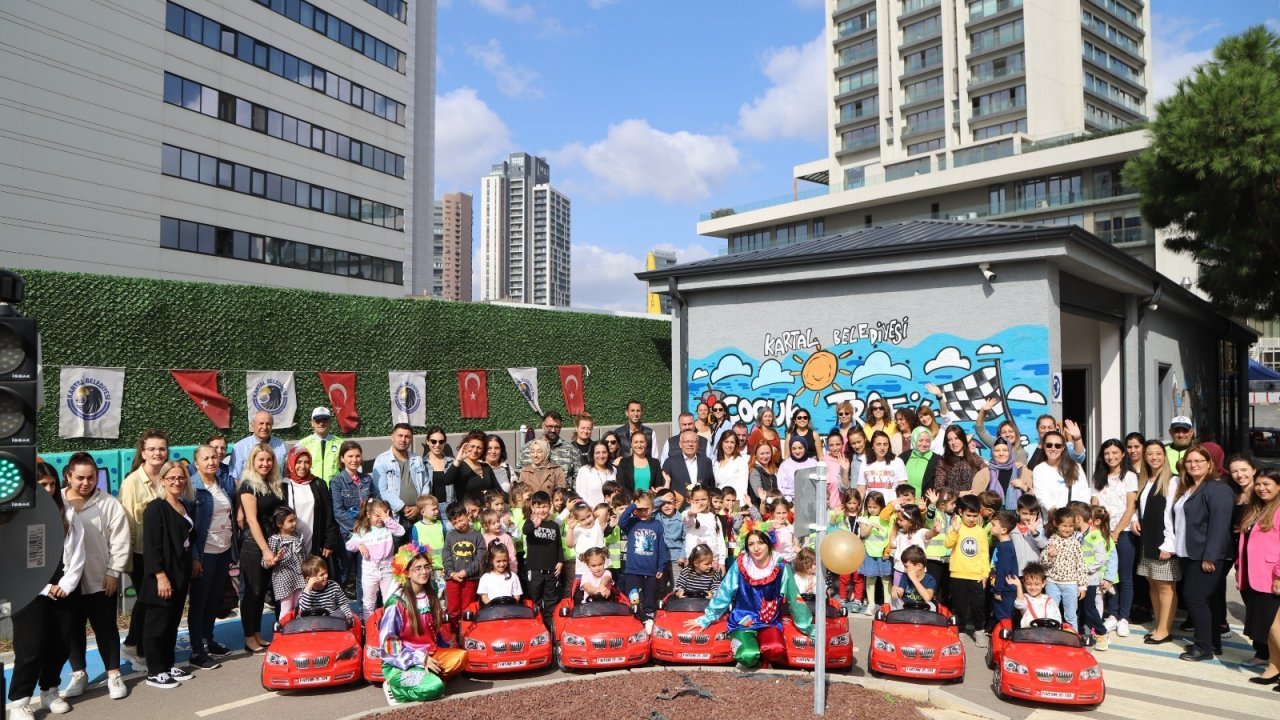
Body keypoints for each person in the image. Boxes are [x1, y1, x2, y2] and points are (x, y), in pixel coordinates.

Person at [8, 462, 85, 718]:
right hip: (30, 591)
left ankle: (50, 690)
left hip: (63, 587)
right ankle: (19, 701)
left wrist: (65, 584)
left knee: (61, 643)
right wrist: (43, 587)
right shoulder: (16, 515)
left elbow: (77, 553)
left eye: (52, 484)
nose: (50, 489)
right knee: (30, 647)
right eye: (43, 485)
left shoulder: (67, 513)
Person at [684, 528, 813, 667]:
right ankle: (752, 656)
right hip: (742, 622)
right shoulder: (741, 565)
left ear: (769, 545)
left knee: (776, 649)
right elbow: (724, 592)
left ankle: (764, 659)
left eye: (760, 543)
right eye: (751, 544)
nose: (756, 548)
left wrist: (806, 626)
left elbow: (795, 598)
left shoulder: (781, 567)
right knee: (747, 655)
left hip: (769, 623)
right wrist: (707, 618)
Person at [59, 453, 130, 701]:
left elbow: (120, 541)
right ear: (68, 476)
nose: (86, 483)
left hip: (100, 579)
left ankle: (113, 674)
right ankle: (79, 674)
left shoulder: (108, 503)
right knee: (71, 629)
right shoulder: (56, 502)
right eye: (79, 477)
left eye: (91, 478)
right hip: (66, 582)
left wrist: (113, 572)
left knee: (106, 628)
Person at [1163, 445, 1235, 662]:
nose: (1193, 465)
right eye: (1189, 461)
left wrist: (1210, 556)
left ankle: (1203, 647)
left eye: (1198, 461)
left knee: (1195, 598)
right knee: (1208, 600)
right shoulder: (1188, 488)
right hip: (1188, 553)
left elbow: (1219, 526)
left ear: (1209, 464)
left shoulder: (1217, 488)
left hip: (1207, 556)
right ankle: (1213, 643)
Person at [379, 545, 467, 704]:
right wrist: (420, 659)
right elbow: (389, 647)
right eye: (417, 568)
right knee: (435, 688)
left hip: (430, 653)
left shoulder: (430, 595)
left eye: (426, 567)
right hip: (403, 662)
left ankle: (426, 676)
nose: (424, 572)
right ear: (406, 572)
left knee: (461, 657)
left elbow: (434, 633)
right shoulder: (396, 602)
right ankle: (396, 688)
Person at [140, 461, 196, 689]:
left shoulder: (184, 505)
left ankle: (168, 664)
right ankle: (154, 671)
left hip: (180, 573)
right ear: (162, 480)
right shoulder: (155, 508)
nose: (176, 482)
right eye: (171, 478)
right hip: (162, 576)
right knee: (157, 625)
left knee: (172, 622)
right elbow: (151, 547)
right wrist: (160, 576)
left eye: (180, 477)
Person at [119, 428, 168, 664]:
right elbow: (127, 524)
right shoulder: (132, 483)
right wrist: (126, 562)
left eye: (161, 448)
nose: (157, 453)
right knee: (148, 601)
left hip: (166, 553)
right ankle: (141, 650)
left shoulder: (170, 477)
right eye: (152, 449)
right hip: (141, 555)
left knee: (149, 601)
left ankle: (133, 642)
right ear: (143, 452)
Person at [187, 444, 236, 670]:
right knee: (199, 602)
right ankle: (197, 650)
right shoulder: (192, 488)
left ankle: (208, 639)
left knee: (213, 600)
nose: (211, 462)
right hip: (203, 554)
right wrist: (194, 556)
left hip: (223, 552)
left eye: (214, 458)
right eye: (206, 459)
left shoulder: (222, 483)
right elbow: (189, 528)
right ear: (196, 464)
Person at [238, 442, 285, 653]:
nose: (265, 464)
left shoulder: (273, 483)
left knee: (262, 591)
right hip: (254, 544)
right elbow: (252, 521)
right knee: (253, 591)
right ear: (253, 461)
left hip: (271, 541)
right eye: (261, 460)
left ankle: (257, 633)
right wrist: (265, 550)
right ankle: (249, 636)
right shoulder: (248, 485)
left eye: (268, 460)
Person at [1090, 438, 1139, 637]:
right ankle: (1112, 614)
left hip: (1123, 533)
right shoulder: (1098, 478)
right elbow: (1094, 505)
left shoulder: (1129, 476)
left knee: (1125, 576)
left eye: (1115, 452)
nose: (1111, 456)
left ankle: (1124, 618)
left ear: (1122, 454)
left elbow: (1131, 507)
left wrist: (1116, 531)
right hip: (1101, 535)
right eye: (1107, 453)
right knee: (1108, 576)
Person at [1135, 438, 1181, 644]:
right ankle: (1158, 625)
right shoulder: (1144, 480)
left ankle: (1165, 630)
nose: (1154, 457)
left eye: (1158, 453)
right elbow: (1140, 506)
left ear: (1165, 456)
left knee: (1165, 586)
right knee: (1152, 583)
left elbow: (1172, 514)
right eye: (1150, 453)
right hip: (1147, 539)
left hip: (1163, 542)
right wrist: (1136, 519)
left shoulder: (1173, 480)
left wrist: (1169, 544)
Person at [1239, 470, 1280, 680]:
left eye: (1267, 484)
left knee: (1275, 627)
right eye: (1259, 484)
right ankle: (1274, 667)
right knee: (1269, 628)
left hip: (1273, 579)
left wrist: (1279, 575)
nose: (1262, 488)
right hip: (1255, 577)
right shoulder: (1258, 508)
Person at [330, 440, 379, 597]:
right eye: (350, 456)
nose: (354, 460)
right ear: (342, 458)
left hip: (367, 536)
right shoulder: (336, 482)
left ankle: (365, 615)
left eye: (357, 456)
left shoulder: (367, 480)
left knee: (363, 576)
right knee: (342, 576)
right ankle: (336, 615)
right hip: (347, 536)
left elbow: (376, 503)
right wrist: (360, 529)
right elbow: (338, 512)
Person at [347, 498, 405, 618]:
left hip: (387, 568)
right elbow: (349, 545)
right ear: (368, 515)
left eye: (383, 515)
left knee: (389, 599)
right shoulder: (363, 530)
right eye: (377, 515)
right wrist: (359, 544)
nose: (380, 519)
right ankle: (369, 627)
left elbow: (401, 532)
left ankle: (389, 625)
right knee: (368, 602)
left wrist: (387, 519)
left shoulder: (388, 527)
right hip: (370, 570)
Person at [283, 445, 341, 566]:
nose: (302, 466)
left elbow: (328, 514)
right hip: (290, 540)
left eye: (306, 462)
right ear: (291, 462)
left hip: (314, 539)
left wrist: (329, 541)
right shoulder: (283, 485)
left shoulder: (319, 484)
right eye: (298, 462)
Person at [946, 494, 991, 644]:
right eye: (968, 515)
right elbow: (947, 544)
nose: (972, 519)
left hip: (976, 575)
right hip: (958, 573)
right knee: (959, 605)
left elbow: (985, 554)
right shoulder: (955, 528)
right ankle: (962, 630)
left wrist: (985, 574)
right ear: (960, 512)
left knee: (978, 605)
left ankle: (979, 631)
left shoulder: (981, 531)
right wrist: (955, 531)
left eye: (975, 515)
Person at [618, 492, 668, 623]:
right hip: (633, 570)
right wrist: (633, 506)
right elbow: (621, 521)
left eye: (646, 509)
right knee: (633, 596)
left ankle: (649, 618)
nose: (643, 512)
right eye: (640, 510)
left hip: (650, 571)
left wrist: (661, 567)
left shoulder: (657, 525)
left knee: (649, 597)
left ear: (652, 508)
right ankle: (633, 618)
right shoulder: (632, 523)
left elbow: (661, 547)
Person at [374, 423, 431, 530]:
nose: (403, 440)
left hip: (418, 515)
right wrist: (403, 507)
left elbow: (426, 484)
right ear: (392, 437)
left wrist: (419, 506)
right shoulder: (382, 460)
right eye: (400, 435)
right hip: (395, 517)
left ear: (411, 439)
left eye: (407, 436)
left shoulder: (417, 459)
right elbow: (381, 491)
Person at [1040, 507, 1088, 632]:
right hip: (1052, 583)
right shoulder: (1051, 541)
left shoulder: (1075, 543)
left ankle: (1073, 638)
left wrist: (1082, 586)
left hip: (1070, 584)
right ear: (1056, 524)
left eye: (1071, 526)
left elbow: (1081, 565)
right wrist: (1049, 556)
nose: (1067, 529)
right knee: (1051, 613)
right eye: (1064, 526)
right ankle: (1051, 636)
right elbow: (1043, 563)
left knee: (1071, 615)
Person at [522, 491, 563, 626]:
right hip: (534, 571)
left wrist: (560, 561)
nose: (541, 510)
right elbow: (525, 530)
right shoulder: (530, 522)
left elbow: (558, 545)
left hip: (551, 571)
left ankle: (550, 628)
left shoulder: (554, 525)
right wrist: (535, 524)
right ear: (532, 508)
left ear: (550, 506)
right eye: (538, 507)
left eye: (544, 506)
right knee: (535, 600)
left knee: (551, 601)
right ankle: (536, 627)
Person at [442, 503, 485, 628]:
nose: (459, 524)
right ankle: (453, 635)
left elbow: (480, 557)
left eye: (461, 520)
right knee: (453, 609)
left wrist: (467, 571)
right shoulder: (450, 536)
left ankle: (467, 632)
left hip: (470, 579)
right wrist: (451, 573)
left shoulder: (477, 535)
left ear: (467, 514)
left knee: (468, 609)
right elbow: (446, 555)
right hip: (452, 579)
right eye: (455, 523)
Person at [1031, 430, 1088, 514]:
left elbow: (1084, 494)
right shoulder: (1039, 470)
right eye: (1049, 445)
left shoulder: (1076, 467)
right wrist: (1060, 518)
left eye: (1057, 446)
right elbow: (1042, 497)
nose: (1053, 449)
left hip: (1076, 520)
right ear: (1044, 446)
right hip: (1052, 521)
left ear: (1063, 447)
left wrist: (1083, 515)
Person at [266, 506, 306, 618]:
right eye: (290, 521)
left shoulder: (298, 537)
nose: (294, 523)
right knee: (286, 608)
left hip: (298, 577)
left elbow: (303, 556)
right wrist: (275, 559)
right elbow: (264, 563)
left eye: (295, 520)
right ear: (279, 524)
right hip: (283, 579)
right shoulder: (275, 540)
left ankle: (296, 630)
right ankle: (283, 630)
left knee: (299, 606)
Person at [970, 437, 1031, 509]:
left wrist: (1023, 487)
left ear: (1010, 452)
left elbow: (1034, 498)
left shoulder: (1023, 471)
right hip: (991, 518)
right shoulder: (983, 474)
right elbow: (975, 500)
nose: (1001, 454)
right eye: (997, 450)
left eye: (1005, 450)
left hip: (1018, 517)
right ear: (992, 452)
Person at [520, 411, 581, 481]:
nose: (553, 430)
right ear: (542, 426)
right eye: (550, 426)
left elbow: (577, 479)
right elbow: (519, 476)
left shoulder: (571, 451)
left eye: (557, 427)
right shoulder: (527, 449)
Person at [228, 411, 287, 482]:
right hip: (250, 491)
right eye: (261, 423)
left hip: (277, 489)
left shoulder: (281, 445)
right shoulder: (240, 447)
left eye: (268, 424)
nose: (264, 427)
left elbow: (284, 473)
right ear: (253, 425)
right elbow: (236, 478)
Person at [443, 430, 500, 503]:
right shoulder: (459, 466)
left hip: (485, 512)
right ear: (465, 446)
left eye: (479, 448)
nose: (475, 450)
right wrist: (458, 459)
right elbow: (447, 480)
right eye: (472, 446)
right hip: (467, 512)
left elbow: (497, 490)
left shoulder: (486, 467)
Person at [661, 430, 714, 502]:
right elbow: (665, 488)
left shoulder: (706, 462)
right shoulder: (670, 462)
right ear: (680, 444)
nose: (690, 444)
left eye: (693, 441)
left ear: (698, 444)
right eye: (686, 441)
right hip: (679, 508)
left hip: (702, 507)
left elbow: (711, 486)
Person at [298, 555, 354, 623]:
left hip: (332, 621)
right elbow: (304, 610)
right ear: (309, 579)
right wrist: (308, 589)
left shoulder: (334, 586)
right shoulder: (306, 592)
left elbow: (343, 603)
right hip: (314, 623)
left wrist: (348, 616)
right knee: (299, 618)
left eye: (326, 572)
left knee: (339, 614)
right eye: (322, 575)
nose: (326, 576)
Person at [935, 426, 987, 496]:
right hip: (951, 504)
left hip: (972, 503)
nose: (953, 442)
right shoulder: (943, 461)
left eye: (956, 438)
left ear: (963, 439)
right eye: (949, 440)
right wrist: (959, 493)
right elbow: (939, 487)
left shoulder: (974, 458)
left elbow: (986, 473)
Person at [975, 398, 1029, 465]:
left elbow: (1022, 474)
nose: (1007, 434)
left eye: (1010, 431)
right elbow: (980, 431)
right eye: (1004, 432)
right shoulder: (995, 444)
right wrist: (982, 411)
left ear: (1016, 434)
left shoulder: (1021, 453)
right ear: (999, 436)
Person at [298, 407, 342, 487]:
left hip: (335, 489)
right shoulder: (302, 444)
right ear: (312, 423)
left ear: (330, 422)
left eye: (324, 420)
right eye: (318, 421)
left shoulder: (341, 443)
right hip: (311, 488)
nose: (321, 424)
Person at [989, 511, 1020, 624]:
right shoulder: (1002, 545)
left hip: (1004, 591)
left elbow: (1003, 571)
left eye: (993, 525)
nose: (990, 527)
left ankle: (1005, 638)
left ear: (1003, 530)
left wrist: (998, 591)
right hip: (1002, 589)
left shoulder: (1005, 548)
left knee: (1004, 618)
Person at [1009, 563, 1062, 628]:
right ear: (1024, 583)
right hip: (1029, 633)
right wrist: (1019, 585)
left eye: (1036, 584)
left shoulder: (1049, 601)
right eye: (1029, 584)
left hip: (1046, 634)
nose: (1033, 587)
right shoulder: (1025, 598)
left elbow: (1056, 618)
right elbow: (1019, 604)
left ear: (1043, 584)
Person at [857, 430, 906, 497]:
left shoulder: (897, 462)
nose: (882, 448)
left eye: (885, 444)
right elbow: (861, 489)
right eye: (878, 444)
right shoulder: (865, 463)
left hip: (891, 506)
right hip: (870, 506)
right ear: (872, 446)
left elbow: (903, 489)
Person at [616, 431, 658, 496]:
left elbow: (658, 485)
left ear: (646, 443)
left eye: (642, 442)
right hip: (631, 503)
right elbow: (621, 486)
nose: (639, 445)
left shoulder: (655, 463)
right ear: (631, 444)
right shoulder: (624, 463)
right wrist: (635, 500)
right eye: (636, 442)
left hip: (650, 503)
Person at [712, 431, 750, 500]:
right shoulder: (717, 462)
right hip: (720, 505)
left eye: (732, 442)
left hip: (734, 504)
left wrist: (736, 509)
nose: (729, 445)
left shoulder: (740, 462)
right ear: (721, 443)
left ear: (736, 444)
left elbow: (743, 489)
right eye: (726, 442)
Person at [577, 440, 616, 507]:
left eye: (604, 452)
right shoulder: (584, 471)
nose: (601, 456)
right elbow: (581, 496)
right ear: (593, 454)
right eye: (597, 453)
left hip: (612, 513)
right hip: (591, 513)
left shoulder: (613, 470)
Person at [421, 426, 456, 502]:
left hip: (450, 508)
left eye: (441, 442)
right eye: (433, 441)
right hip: (429, 509)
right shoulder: (421, 464)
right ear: (427, 441)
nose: (437, 445)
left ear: (445, 443)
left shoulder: (452, 463)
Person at [903, 427, 939, 498]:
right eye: (921, 440)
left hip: (925, 505)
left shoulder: (937, 460)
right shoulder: (903, 457)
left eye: (928, 441)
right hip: (904, 504)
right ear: (914, 440)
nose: (924, 444)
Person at [746, 441, 778, 508]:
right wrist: (776, 496)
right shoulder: (754, 470)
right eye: (762, 453)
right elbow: (759, 493)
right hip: (759, 510)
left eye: (767, 453)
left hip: (773, 509)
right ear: (756, 455)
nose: (765, 456)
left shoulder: (774, 469)